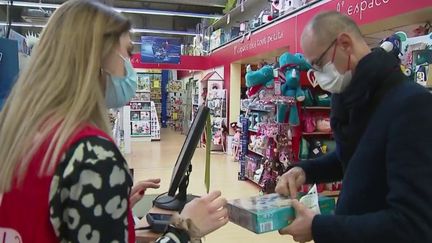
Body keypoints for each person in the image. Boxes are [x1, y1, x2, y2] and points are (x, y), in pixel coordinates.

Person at [0, 1, 228, 242]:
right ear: (95, 59)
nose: (130, 67)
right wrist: (186, 228)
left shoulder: (20, 133)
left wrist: (109, 204)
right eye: (127, 53)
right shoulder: (91, 153)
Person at [276, 11, 432, 243]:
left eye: (318, 64)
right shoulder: (353, 99)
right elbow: (355, 159)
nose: (318, 76)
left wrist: (319, 228)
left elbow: (412, 224)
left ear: (345, 44)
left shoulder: (411, 105)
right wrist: (305, 171)